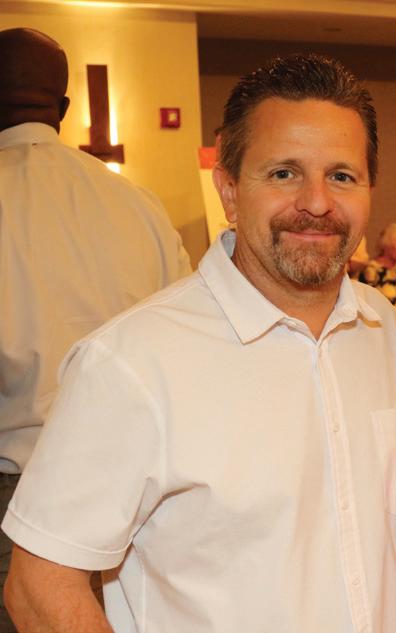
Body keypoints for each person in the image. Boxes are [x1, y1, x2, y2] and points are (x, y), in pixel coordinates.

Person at [3, 53, 396, 633]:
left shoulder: (385, 331)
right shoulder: (130, 362)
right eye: (284, 173)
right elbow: (39, 586)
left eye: (342, 176)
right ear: (229, 190)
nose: (317, 202)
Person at [0, 28, 191, 629]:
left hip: (16, 498)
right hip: (134, 499)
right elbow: (185, 345)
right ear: (62, 108)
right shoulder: (138, 204)